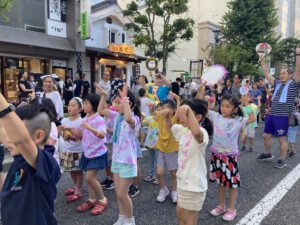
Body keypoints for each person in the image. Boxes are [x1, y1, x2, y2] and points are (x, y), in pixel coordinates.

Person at [0, 96, 61, 225]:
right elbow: (4, 134)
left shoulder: (47, 163)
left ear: (38, 136)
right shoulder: (19, 157)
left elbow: (21, 140)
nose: (8, 140)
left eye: (14, 133)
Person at [205, 94, 254, 222]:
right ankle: (221, 206)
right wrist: (204, 93)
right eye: (222, 106)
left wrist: (246, 104)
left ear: (235, 109)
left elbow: (253, 118)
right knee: (220, 183)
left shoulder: (238, 120)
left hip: (230, 158)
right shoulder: (216, 116)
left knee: (232, 184)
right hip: (217, 156)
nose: (224, 108)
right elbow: (204, 111)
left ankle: (232, 209)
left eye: (228, 106)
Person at [97, 83, 141, 225]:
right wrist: (104, 96)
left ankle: (130, 220)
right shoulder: (116, 116)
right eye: (116, 101)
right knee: (118, 193)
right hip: (117, 159)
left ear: (130, 104)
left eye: (119, 102)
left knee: (123, 193)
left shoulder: (135, 119)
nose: (116, 104)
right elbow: (101, 110)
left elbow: (128, 119)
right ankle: (122, 217)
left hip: (127, 161)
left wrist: (125, 99)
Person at [173, 99, 213, 225]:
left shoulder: (203, 133)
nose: (182, 117)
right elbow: (172, 126)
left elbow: (197, 133)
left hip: (194, 185)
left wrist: (189, 112)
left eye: (186, 114)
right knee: (180, 214)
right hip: (182, 181)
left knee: (190, 220)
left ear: (198, 117)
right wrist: (171, 114)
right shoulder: (184, 130)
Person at [257, 53, 300, 168]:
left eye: (283, 73)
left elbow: (298, 71)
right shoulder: (277, 83)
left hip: (283, 116)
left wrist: (298, 54)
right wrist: (262, 60)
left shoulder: (294, 85)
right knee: (266, 135)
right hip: (271, 114)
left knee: (282, 139)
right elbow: (266, 73)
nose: (281, 75)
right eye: (280, 73)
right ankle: (267, 153)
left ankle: (282, 159)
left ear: (290, 75)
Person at [74, 94, 108, 215]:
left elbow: (102, 135)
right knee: (89, 179)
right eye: (84, 102)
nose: (84, 105)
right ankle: (92, 199)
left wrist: (89, 128)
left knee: (90, 178)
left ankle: (102, 199)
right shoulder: (86, 117)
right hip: (88, 152)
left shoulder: (98, 118)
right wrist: (68, 130)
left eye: (86, 103)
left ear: (93, 105)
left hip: (97, 153)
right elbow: (81, 135)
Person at [59, 97, 84, 203]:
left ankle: (78, 190)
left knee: (78, 171)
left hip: (78, 150)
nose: (69, 108)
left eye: (73, 106)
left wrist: (69, 133)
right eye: (69, 105)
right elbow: (61, 134)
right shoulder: (64, 120)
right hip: (67, 149)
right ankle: (75, 186)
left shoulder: (81, 121)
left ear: (80, 108)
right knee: (71, 171)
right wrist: (62, 132)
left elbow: (81, 136)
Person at [155, 98, 179, 204]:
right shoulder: (161, 117)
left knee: (174, 173)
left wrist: (178, 99)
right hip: (161, 148)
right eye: (163, 108)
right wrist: (152, 107)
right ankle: (163, 189)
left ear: (173, 110)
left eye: (168, 108)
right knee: (159, 173)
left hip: (172, 150)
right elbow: (154, 114)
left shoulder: (175, 119)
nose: (165, 111)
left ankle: (175, 191)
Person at [143, 103, 162, 184]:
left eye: (160, 110)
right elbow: (144, 121)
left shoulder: (164, 120)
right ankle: (151, 174)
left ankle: (159, 177)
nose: (158, 112)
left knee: (158, 160)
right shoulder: (151, 118)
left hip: (159, 144)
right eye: (157, 109)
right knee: (151, 159)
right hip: (150, 143)